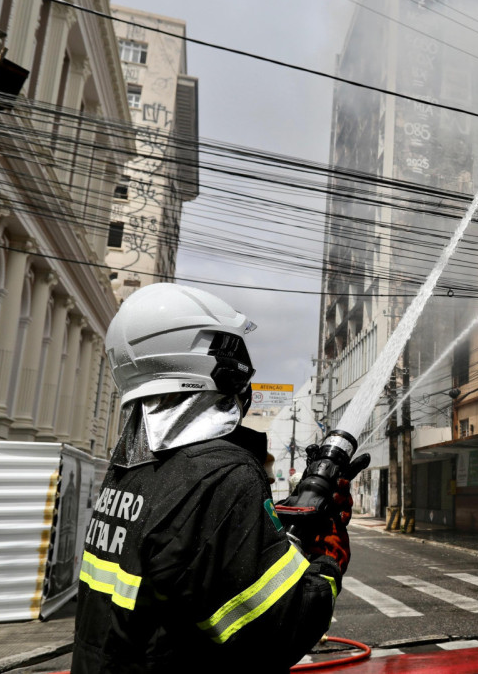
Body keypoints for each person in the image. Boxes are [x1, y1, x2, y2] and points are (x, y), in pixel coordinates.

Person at [73, 283, 365, 673]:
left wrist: (275, 525)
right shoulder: (224, 475)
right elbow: (280, 630)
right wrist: (328, 557)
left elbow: (189, 555)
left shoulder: (130, 469)